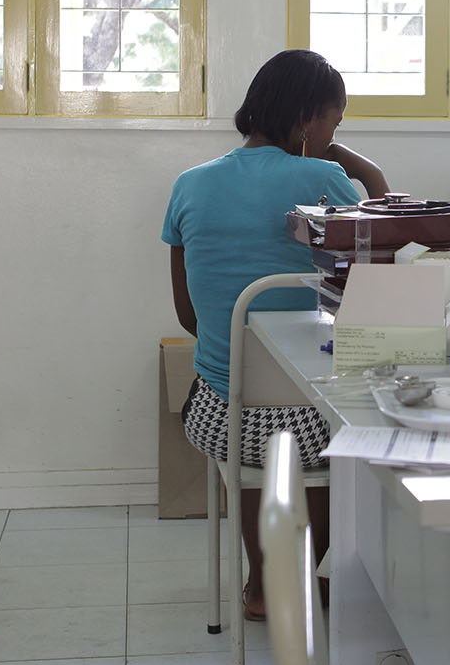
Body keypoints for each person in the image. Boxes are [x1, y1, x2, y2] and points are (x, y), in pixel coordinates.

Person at [161, 49, 387, 621]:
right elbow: (379, 275)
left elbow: (189, 318)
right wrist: (360, 168)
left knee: (259, 438)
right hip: (308, 425)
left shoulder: (189, 184)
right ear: (308, 117)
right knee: (358, 429)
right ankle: (300, 579)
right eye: (334, 122)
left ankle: (261, 582)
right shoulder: (323, 178)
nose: (334, 136)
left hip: (218, 416)